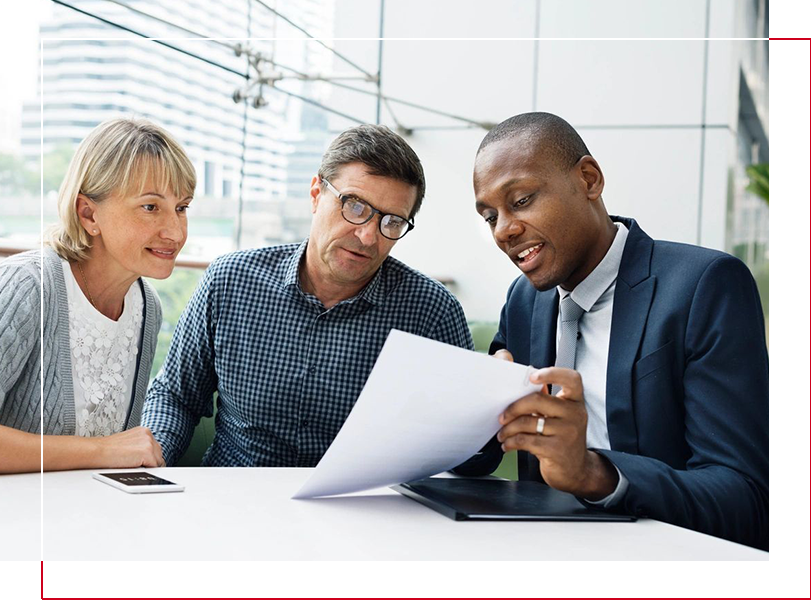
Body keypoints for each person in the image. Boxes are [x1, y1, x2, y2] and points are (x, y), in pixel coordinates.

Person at [459, 112, 768, 549]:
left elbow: (746, 499)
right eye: (490, 216)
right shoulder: (524, 300)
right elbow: (483, 455)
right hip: (536, 550)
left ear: (588, 179)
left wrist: (594, 474)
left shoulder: (706, 286)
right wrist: (464, 412)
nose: (505, 230)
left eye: (523, 199)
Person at [142, 124, 473, 467]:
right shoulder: (230, 281)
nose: (368, 236)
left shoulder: (432, 312)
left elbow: (465, 449)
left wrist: (488, 416)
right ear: (317, 193)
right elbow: (175, 397)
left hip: (361, 512)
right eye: (355, 206)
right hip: (233, 502)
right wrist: (150, 461)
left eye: (391, 222)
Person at [0, 118, 196, 473]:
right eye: (150, 207)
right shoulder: (27, 286)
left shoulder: (146, 307)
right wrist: (101, 452)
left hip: (91, 518)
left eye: (181, 207)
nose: (175, 231)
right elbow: (109, 451)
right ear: (89, 214)